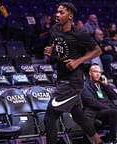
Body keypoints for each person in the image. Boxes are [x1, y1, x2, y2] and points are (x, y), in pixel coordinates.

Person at [43, 2, 102, 144]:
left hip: (72, 82)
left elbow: (97, 50)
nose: (57, 14)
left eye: (61, 12)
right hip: (62, 78)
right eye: (57, 11)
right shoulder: (54, 29)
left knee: (49, 118)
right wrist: (51, 51)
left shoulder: (80, 34)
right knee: (78, 116)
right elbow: (58, 47)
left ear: (70, 16)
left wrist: (78, 61)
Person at [81, 64, 117, 144]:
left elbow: (114, 96)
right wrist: (106, 107)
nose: (98, 74)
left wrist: (106, 85)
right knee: (113, 112)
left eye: (99, 72)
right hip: (98, 112)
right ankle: (113, 141)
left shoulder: (102, 84)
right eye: (95, 72)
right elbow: (90, 101)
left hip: (111, 110)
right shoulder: (85, 85)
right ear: (89, 73)